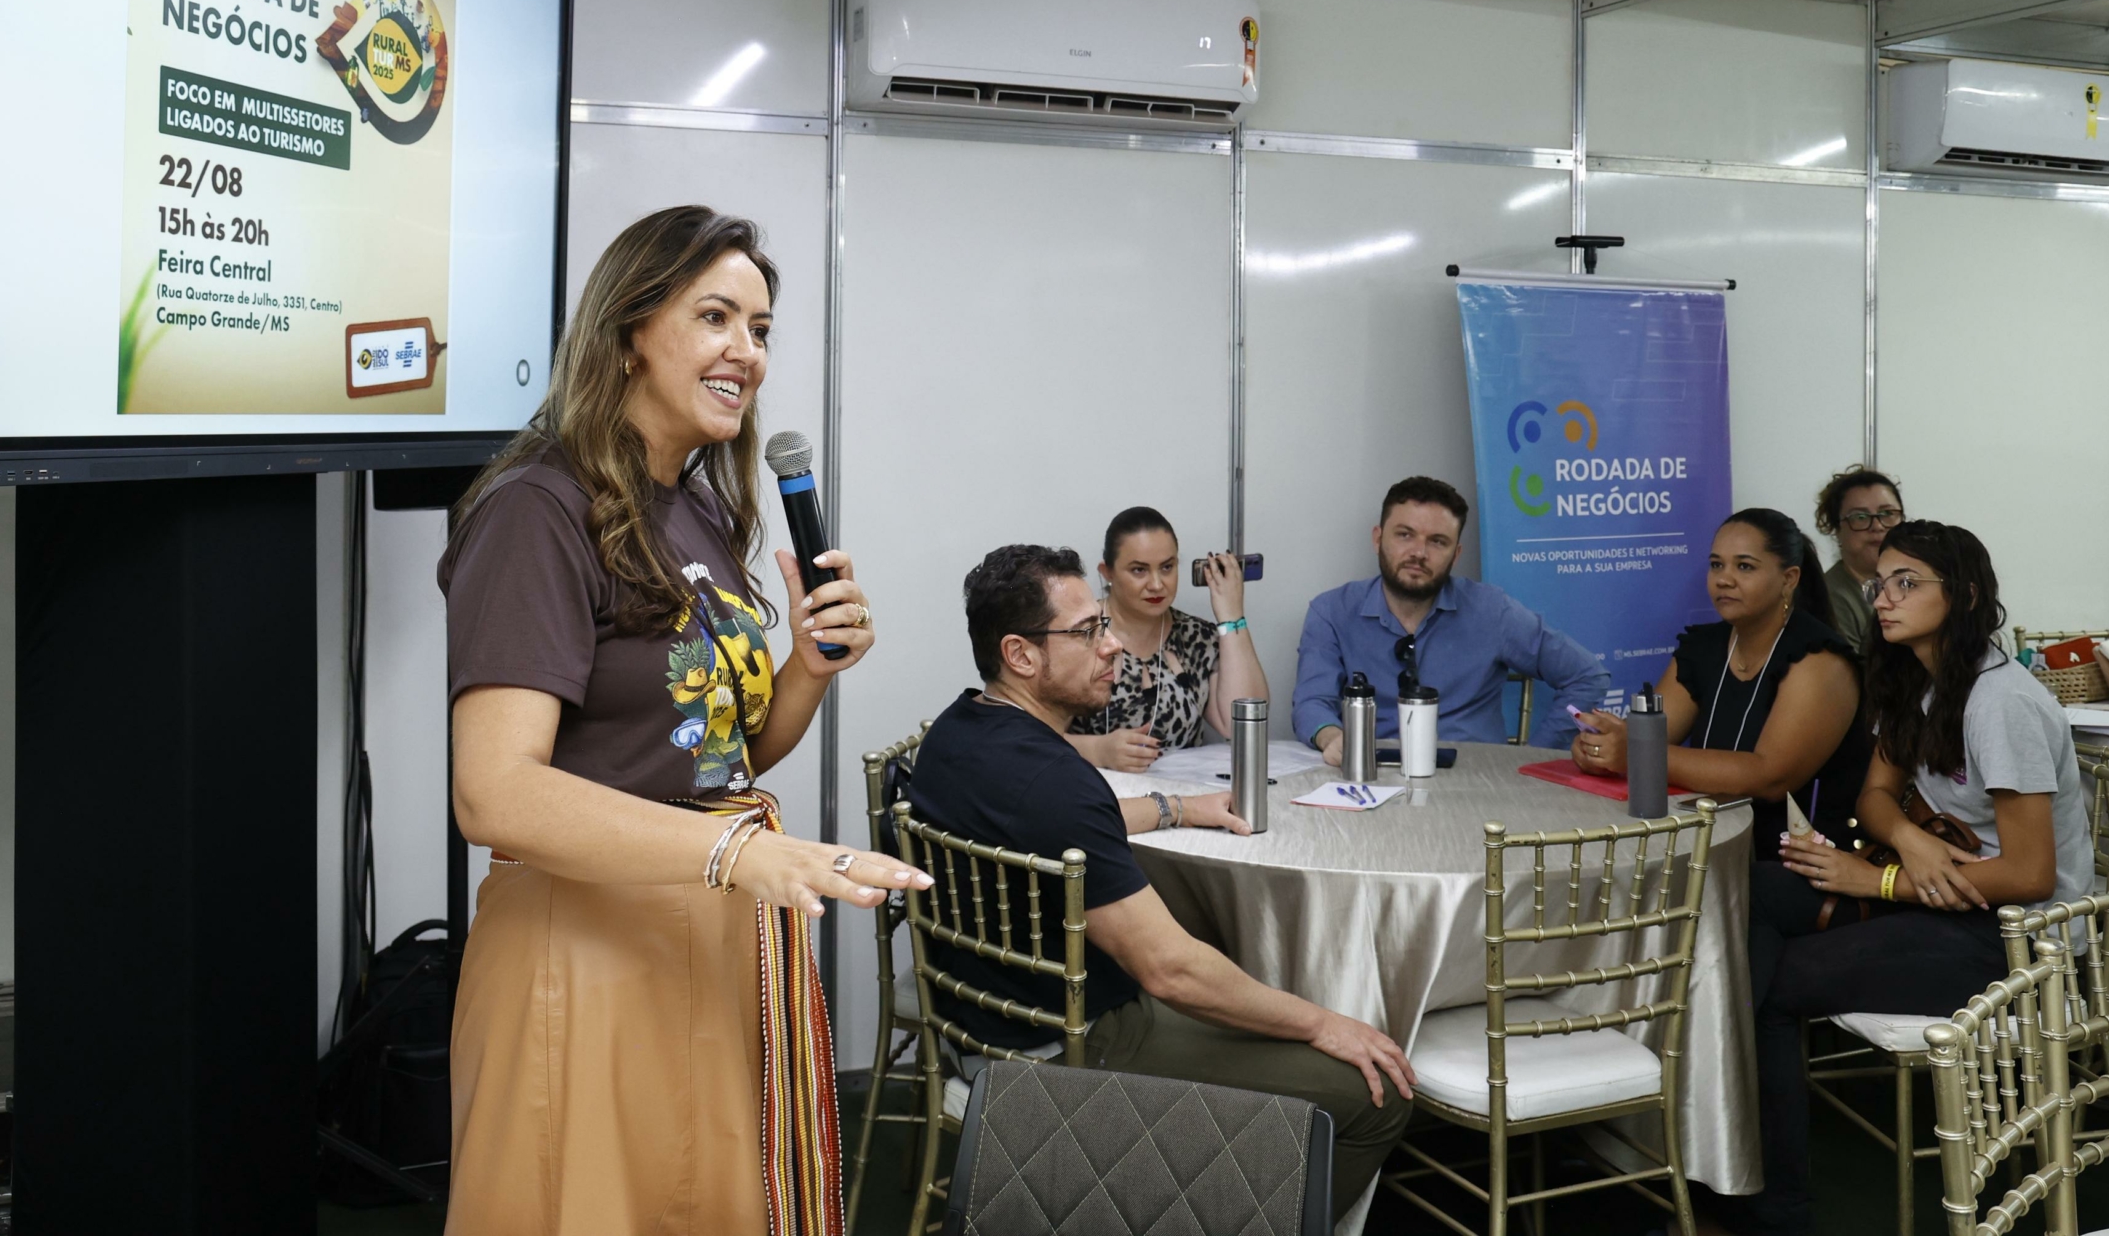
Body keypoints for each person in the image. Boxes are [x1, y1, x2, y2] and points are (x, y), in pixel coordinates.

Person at [441, 206, 930, 1236]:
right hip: (583, 947)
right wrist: (739, 855)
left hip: (704, 933)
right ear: (629, 331)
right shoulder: (538, 509)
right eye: (715, 317)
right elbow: (494, 792)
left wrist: (807, 667)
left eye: (760, 329)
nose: (746, 351)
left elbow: (723, 756)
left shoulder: (696, 504)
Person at [904, 544, 1417, 1217]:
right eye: (1087, 632)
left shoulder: (959, 731)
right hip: (1071, 1049)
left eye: (1102, 624)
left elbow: (1061, 822)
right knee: (1377, 1095)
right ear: (1021, 654)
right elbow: (1170, 972)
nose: (1112, 644)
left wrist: (1179, 807)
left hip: (985, 1027)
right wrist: (1324, 1023)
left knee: (1223, 955)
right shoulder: (1055, 780)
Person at [1740, 520, 2089, 1236]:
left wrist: (1878, 883)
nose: (1884, 599)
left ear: (1963, 596)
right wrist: (1907, 841)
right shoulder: (1920, 680)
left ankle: (1775, 1213)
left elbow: (2030, 874)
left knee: (1769, 986)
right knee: (1748, 893)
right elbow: (1874, 795)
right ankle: (1722, 1152)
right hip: (1941, 899)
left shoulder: (2001, 702)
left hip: (2017, 942)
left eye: (1907, 583)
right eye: (1879, 584)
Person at [1570, 508, 1873, 855]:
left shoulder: (1820, 660)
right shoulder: (1702, 647)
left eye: (1744, 566)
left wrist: (1637, 753)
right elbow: (1650, 738)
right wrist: (1601, 748)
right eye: (1717, 565)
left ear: (1789, 579)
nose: (1724, 579)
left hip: (1796, 860)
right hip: (1705, 841)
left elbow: (1770, 777)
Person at [1293, 476, 1609, 763]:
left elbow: (1586, 676)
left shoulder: (1492, 610)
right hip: (1374, 775)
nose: (1419, 552)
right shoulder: (1332, 611)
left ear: (1456, 555)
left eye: (1437, 541)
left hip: (1478, 783)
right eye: (1405, 535)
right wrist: (1332, 737)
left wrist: (1536, 758)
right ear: (1378, 539)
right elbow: (1311, 702)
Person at [1065, 506, 1270, 772]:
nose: (1157, 584)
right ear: (1108, 572)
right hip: (1095, 789)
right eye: (1139, 570)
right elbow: (1032, 736)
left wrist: (1231, 616)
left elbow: (1242, 725)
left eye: (1167, 567)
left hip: (1186, 792)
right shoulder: (1079, 635)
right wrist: (1097, 750)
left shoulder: (1197, 637)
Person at [1814, 465, 1904, 654]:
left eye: (1887, 514)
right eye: (1860, 517)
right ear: (1836, 529)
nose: (1877, 526)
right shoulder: (1829, 597)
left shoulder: (1917, 583)